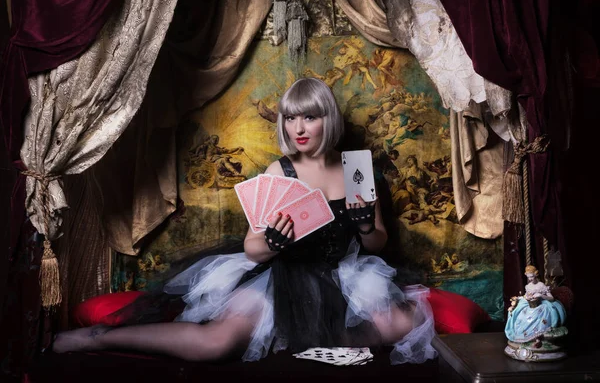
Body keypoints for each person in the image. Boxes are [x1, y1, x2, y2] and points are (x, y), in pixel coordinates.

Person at [52, 77, 437, 364]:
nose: (298, 128)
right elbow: (252, 248)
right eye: (290, 118)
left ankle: (316, 337)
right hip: (282, 276)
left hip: (346, 276)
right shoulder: (281, 170)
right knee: (215, 344)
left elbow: (378, 243)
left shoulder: (356, 168)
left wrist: (367, 226)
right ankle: (100, 338)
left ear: (328, 119)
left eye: (309, 117)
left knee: (406, 323)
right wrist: (272, 243)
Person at [504, 265, 567, 345]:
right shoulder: (528, 286)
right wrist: (527, 297)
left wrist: (541, 295)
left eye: (532, 277)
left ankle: (538, 337)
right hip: (530, 305)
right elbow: (527, 295)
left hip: (541, 305)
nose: (530, 279)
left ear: (535, 275)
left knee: (541, 315)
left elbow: (552, 298)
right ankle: (521, 336)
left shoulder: (541, 285)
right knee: (519, 314)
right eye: (528, 277)